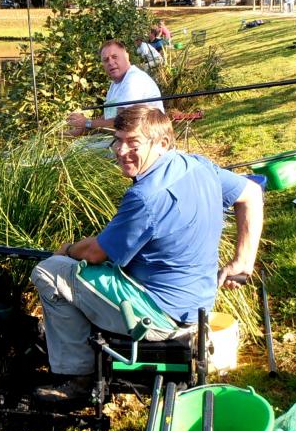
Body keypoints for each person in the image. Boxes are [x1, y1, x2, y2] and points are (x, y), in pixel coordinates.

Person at [31, 106, 264, 402]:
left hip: (161, 315)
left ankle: (78, 379)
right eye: (118, 140)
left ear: (162, 144)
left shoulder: (146, 196)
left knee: (50, 271)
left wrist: (66, 249)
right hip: (198, 304)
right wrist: (244, 260)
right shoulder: (197, 165)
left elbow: (96, 253)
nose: (121, 150)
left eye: (133, 143)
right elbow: (251, 194)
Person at [66, 39, 164, 138]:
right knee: (76, 147)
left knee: (82, 150)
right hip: (125, 137)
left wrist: (86, 122)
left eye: (115, 57)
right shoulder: (115, 84)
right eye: (106, 60)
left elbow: (120, 123)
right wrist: (80, 130)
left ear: (127, 56)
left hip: (146, 139)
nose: (111, 62)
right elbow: (108, 117)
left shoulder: (134, 80)